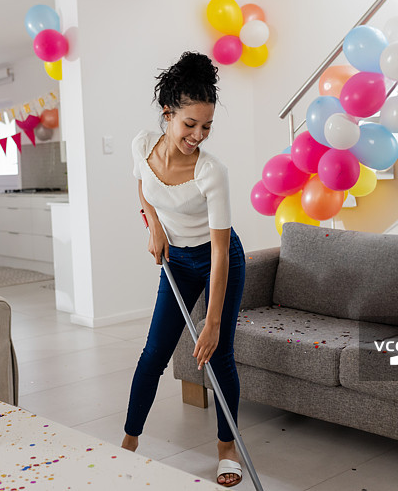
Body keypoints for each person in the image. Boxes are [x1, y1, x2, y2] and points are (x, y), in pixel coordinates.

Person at [122, 51, 247, 488]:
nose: (198, 134)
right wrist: (153, 225)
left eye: (207, 126)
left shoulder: (212, 173)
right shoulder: (142, 145)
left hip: (217, 259)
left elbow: (219, 250)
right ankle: (129, 443)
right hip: (176, 260)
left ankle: (226, 449)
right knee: (154, 354)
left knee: (220, 356)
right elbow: (144, 185)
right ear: (168, 113)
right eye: (189, 124)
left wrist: (211, 321)